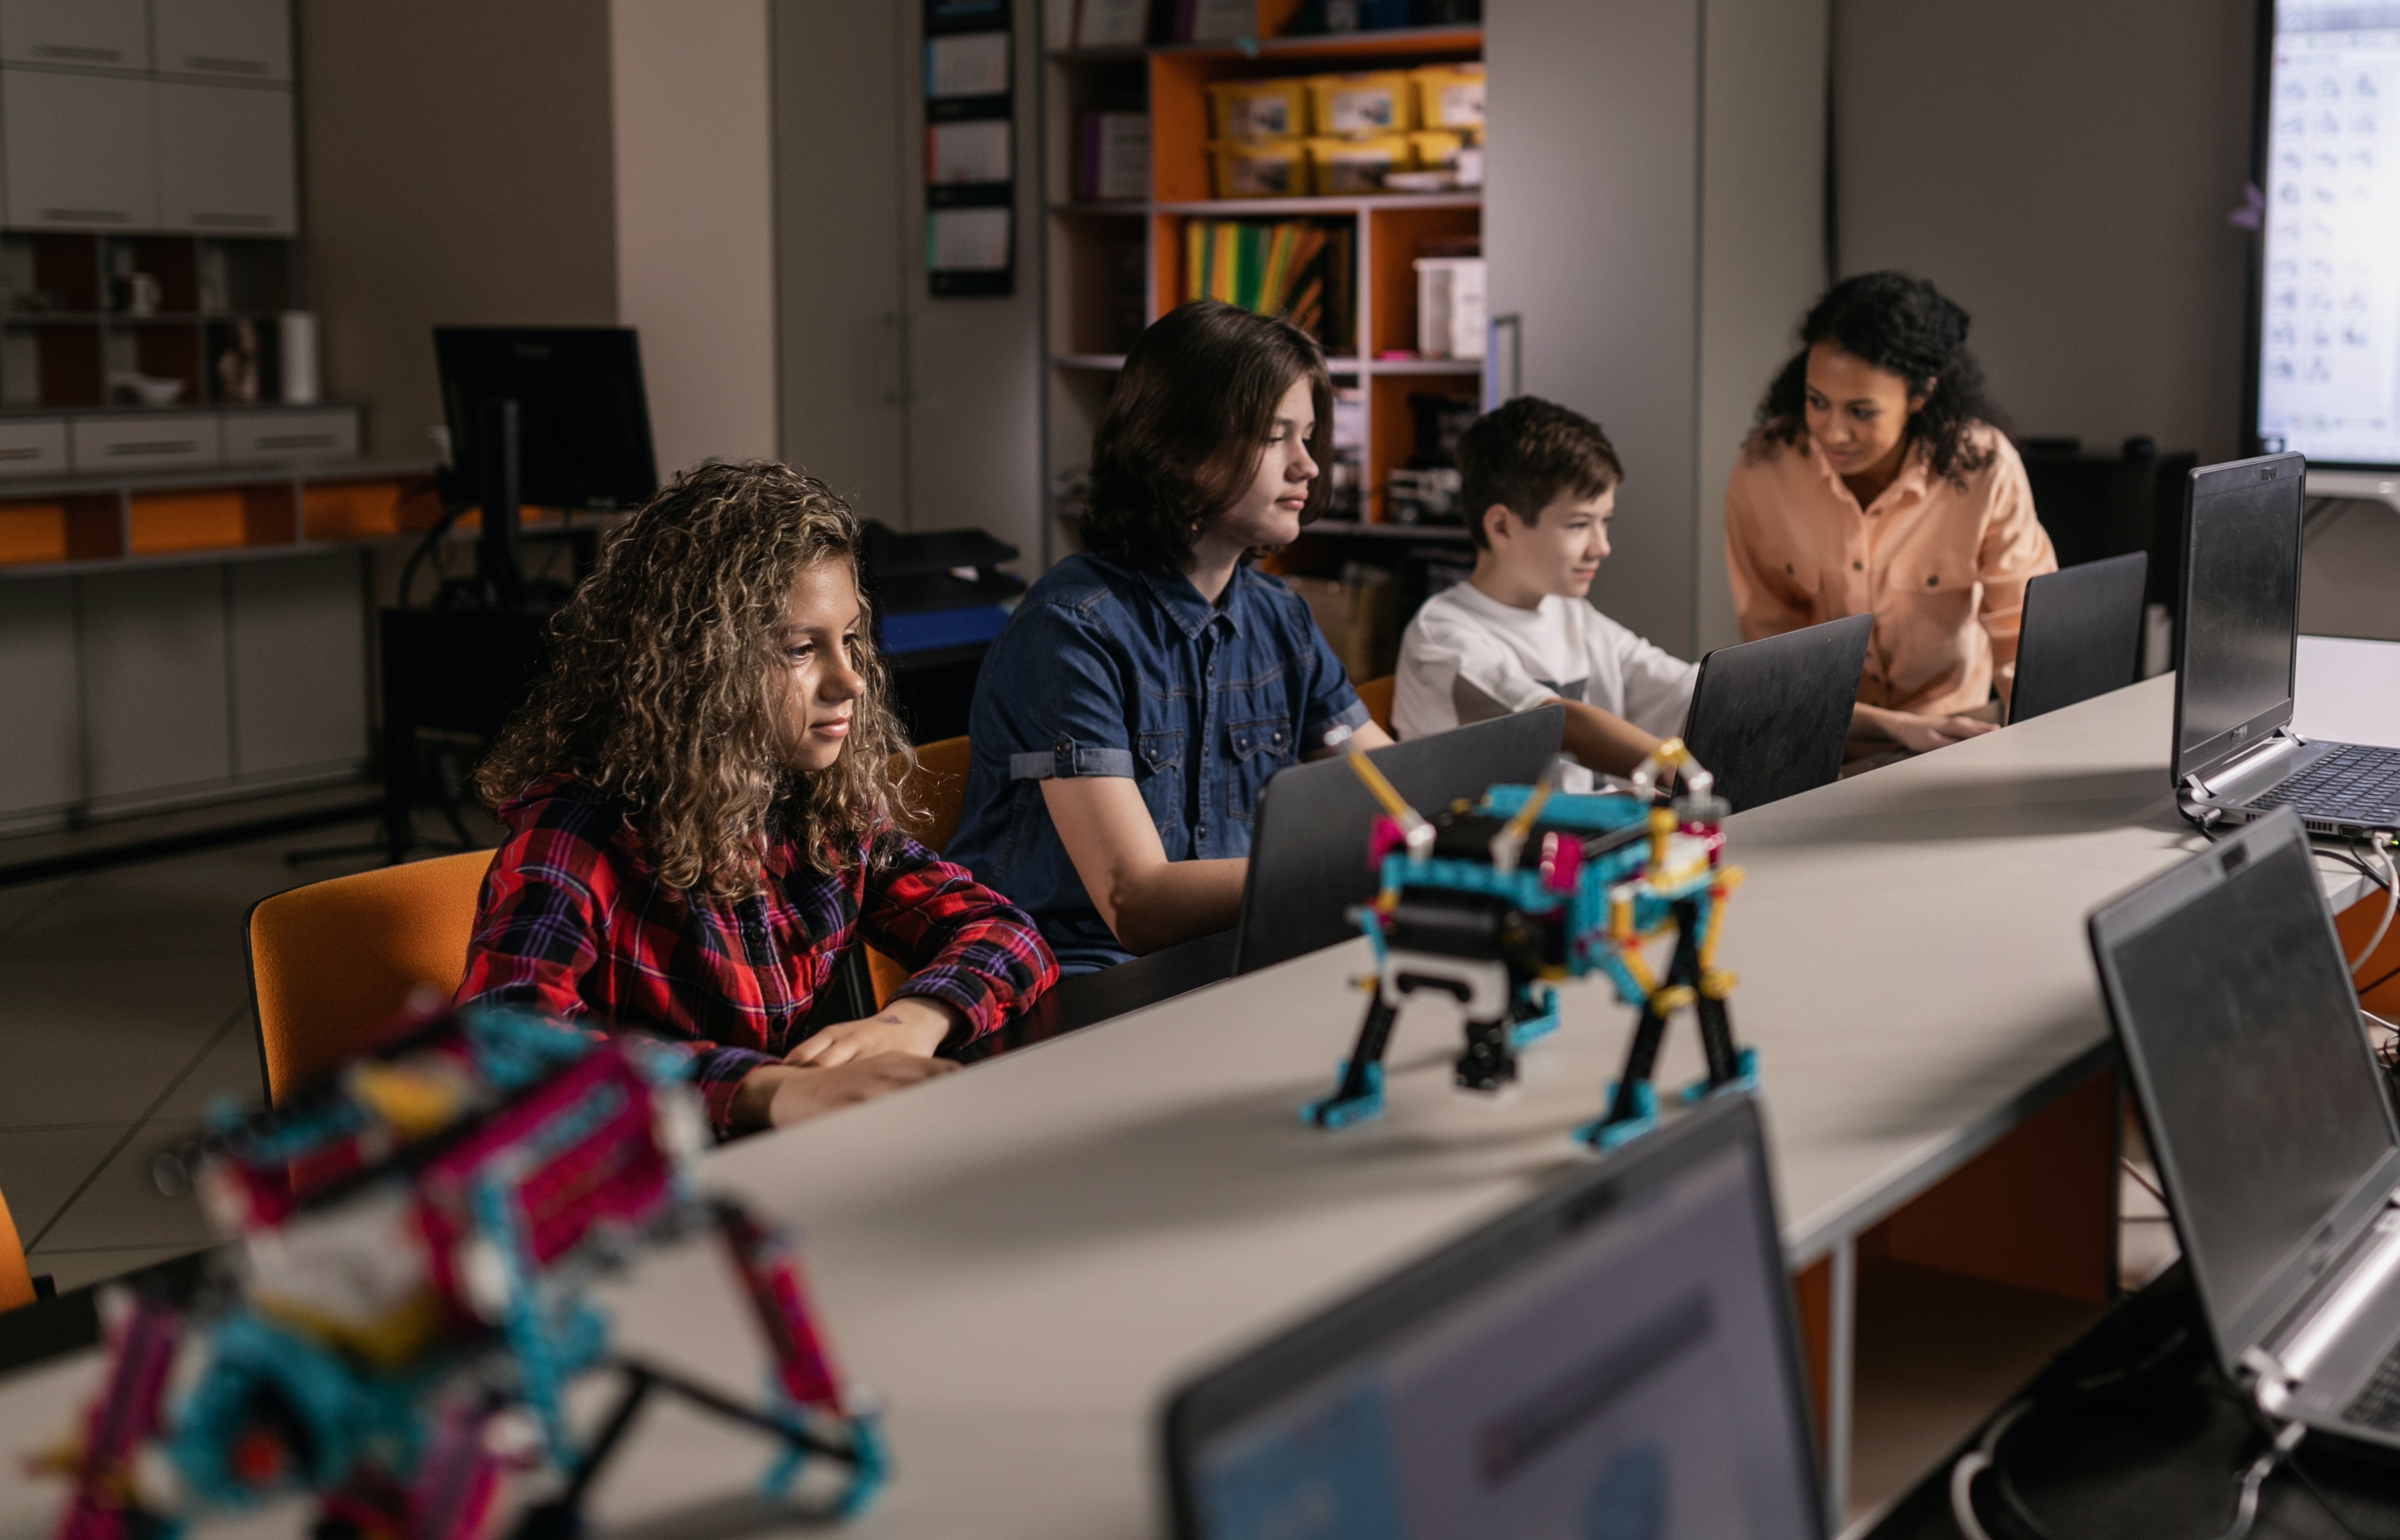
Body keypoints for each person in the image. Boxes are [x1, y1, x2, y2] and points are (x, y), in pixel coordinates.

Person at [457, 461, 1056, 1138]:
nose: (850, 681)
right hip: (633, 1183)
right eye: (802, 649)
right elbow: (504, 1049)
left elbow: (1006, 932)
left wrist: (911, 1019)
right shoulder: (578, 829)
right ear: (697, 662)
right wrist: (761, 1090)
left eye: (851, 640)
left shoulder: (818, 805)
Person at [954, 301, 1393, 975]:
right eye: (1277, 436)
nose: (1308, 465)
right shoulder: (1070, 632)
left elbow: (1390, 789)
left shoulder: (1282, 618)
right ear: (1181, 450)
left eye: (1308, 436)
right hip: (1079, 984)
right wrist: (1344, 865)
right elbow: (1139, 905)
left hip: (1231, 963)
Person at [1724, 271, 2056, 754]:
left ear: (1920, 395)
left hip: (1954, 742)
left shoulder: (1983, 468)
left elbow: (2026, 644)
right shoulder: (1764, 472)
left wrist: (2032, 752)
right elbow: (1773, 663)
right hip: (1822, 742)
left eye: (1861, 412)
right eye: (1817, 402)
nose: (1833, 432)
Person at [1392, 396, 1696, 784]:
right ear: (1502, 526)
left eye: (1604, 522)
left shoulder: (1569, 612)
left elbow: (1677, 687)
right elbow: (1558, 722)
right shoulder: (1441, 641)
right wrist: (1679, 771)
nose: (1601, 547)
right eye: (1577, 524)